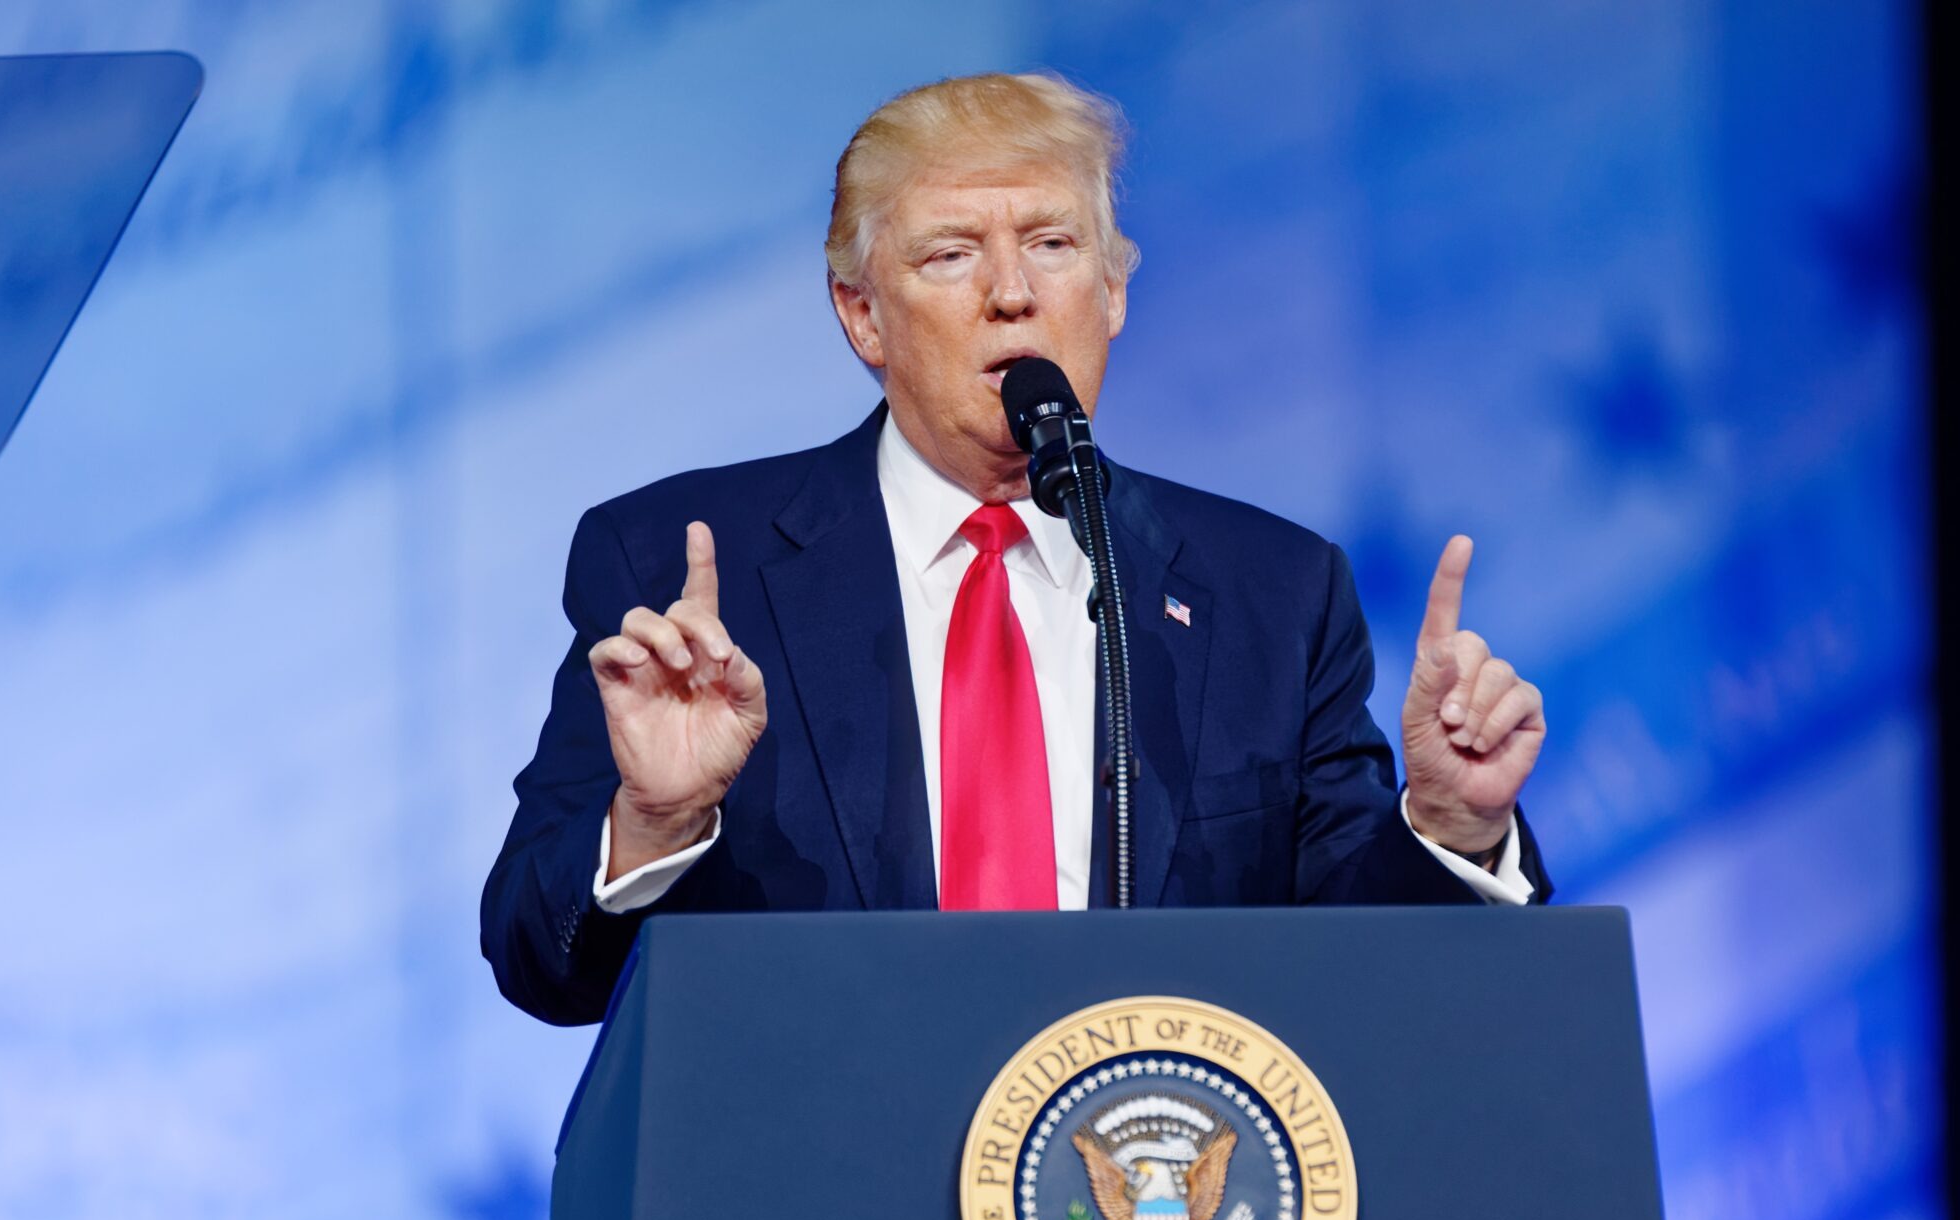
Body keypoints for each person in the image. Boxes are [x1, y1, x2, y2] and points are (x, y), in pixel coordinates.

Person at [481, 72, 1550, 1026]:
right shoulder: (674, 567)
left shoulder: (1271, 589)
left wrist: (1451, 830)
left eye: (1051, 244)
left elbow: (1365, 981)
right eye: (950, 255)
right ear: (862, 317)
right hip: (807, 1209)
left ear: (1114, 291)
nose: (1012, 292)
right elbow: (541, 963)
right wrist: (654, 820)